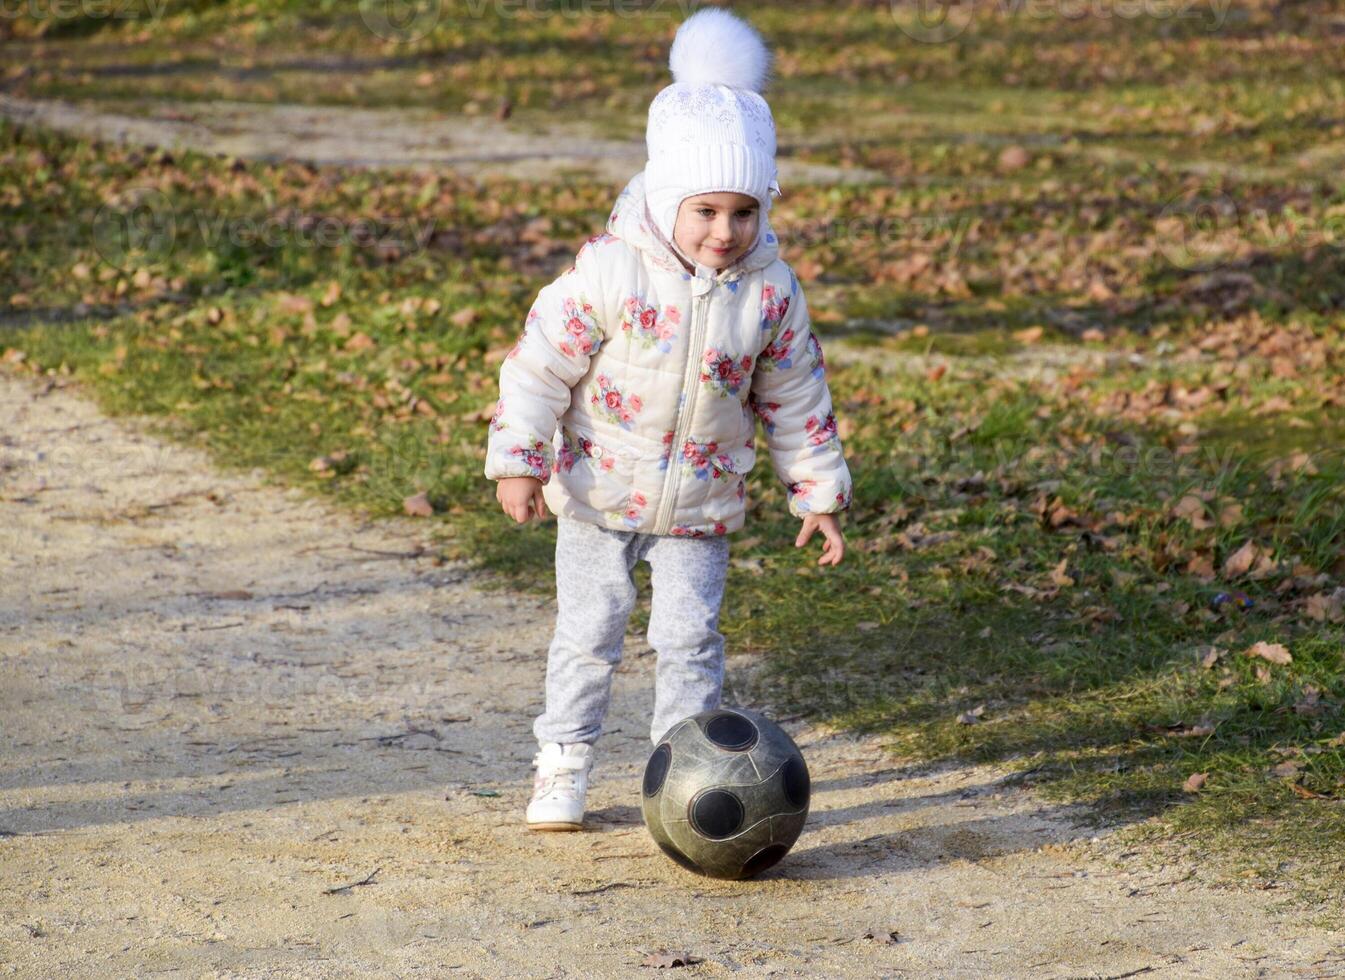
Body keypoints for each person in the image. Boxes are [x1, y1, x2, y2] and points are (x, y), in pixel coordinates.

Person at [483, 7, 853, 831]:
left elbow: (796, 398)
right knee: (589, 635)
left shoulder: (770, 292)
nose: (724, 232)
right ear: (664, 198)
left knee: (690, 646)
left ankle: (676, 779)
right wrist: (518, 455)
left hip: (701, 504)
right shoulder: (610, 272)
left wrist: (817, 492)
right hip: (595, 492)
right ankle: (563, 763)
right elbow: (538, 364)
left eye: (743, 212)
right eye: (705, 211)